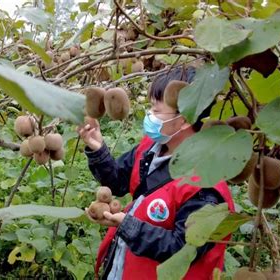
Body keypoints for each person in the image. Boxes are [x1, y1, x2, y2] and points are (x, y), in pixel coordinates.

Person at [77, 65, 235, 280]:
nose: (150, 116)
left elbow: (183, 249)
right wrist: (98, 149)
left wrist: (128, 226)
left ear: (184, 119)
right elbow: (119, 183)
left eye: (157, 111)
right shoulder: (149, 149)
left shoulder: (205, 187)